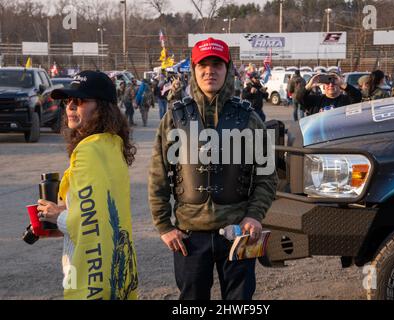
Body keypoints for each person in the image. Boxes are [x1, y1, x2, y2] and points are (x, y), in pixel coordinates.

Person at [148, 37, 278, 300]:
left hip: (238, 233)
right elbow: (158, 175)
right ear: (194, 69)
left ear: (227, 69)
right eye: (203, 64)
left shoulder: (248, 117)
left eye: (217, 64)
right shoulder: (174, 117)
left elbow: (267, 175)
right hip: (189, 237)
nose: (210, 71)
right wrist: (163, 225)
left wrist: (254, 215)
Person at [36, 71, 138, 299]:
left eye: (80, 101)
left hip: (93, 277)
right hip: (115, 267)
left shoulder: (89, 151)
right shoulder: (111, 145)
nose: (70, 106)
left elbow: (89, 222)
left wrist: (56, 216)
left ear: (101, 107)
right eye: (68, 101)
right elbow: (100, 208)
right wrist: (67, 211)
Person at [295, 72, 362, 115]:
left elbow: (358, 96)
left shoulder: (347, 100)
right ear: (323, 86)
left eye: (334, 82)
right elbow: (299, 98)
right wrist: (309, 85)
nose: (331, 85)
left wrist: (342, 83)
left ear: (340, 85)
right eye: (327, 83)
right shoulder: (315, 101)